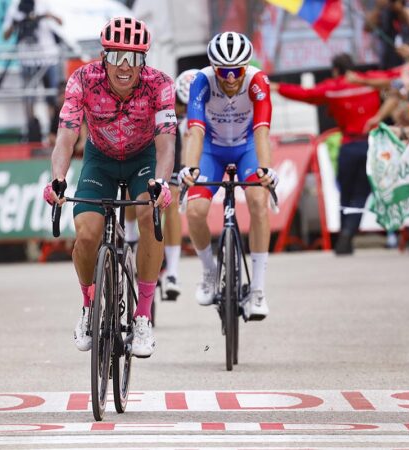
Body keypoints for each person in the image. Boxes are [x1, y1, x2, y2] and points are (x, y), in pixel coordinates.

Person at [44, 17, 176, 357]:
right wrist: (58, 178)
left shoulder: (160, 84)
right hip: (99, 160)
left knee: (149, 217)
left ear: (144, 60)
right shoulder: (83, 79)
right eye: (117, 56)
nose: (124, 66)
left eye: (133, 57)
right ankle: (88, 306)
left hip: (142, 159)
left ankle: (143, 315)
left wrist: (162, 182)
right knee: (87, 234)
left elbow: (166, 144)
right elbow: (66, 136)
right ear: (104, 57)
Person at [180, 32, 278, 321]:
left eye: (237, 70)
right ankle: (209, 271)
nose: (232, 77)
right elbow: (195, 130)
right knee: (195, 211)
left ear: (246, 67)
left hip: (247, 147)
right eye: (224, 71)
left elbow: (262, 131)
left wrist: (265, 169)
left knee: (258, 202)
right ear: (214, 68)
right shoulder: (202, 81)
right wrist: (190, 168)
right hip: (211, 149)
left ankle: (257, 289)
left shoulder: (257, 81)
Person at [271, 53, 383, 255]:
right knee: (360, 194)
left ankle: (344, 235)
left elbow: (306, 94)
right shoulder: (371, 82)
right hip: (371, 145)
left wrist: (278, 87)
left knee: (346, 194)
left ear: (335, 70)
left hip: (349, 146)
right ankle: (348, 232)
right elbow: (395, 79)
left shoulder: (334, 88)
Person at [158, 68, 199, 300]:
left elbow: (189, 143)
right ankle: (133, 243)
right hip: (157, 146)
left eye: (187, 107)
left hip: (178, 151)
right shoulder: (164, 101)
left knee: (172, 201)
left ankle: (172, 272)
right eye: (180, 105)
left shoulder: (197, 111)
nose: (182, 110)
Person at [2, 0, 63, 141]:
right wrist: (17, 23)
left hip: (48, 57)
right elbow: (5, 34)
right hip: (27, 58)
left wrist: (45, 16)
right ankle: (32, 132)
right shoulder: (16, 6)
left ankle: (54, 131)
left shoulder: (45, 3)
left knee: (53, 97)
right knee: (29, 98)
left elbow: (61, 22)